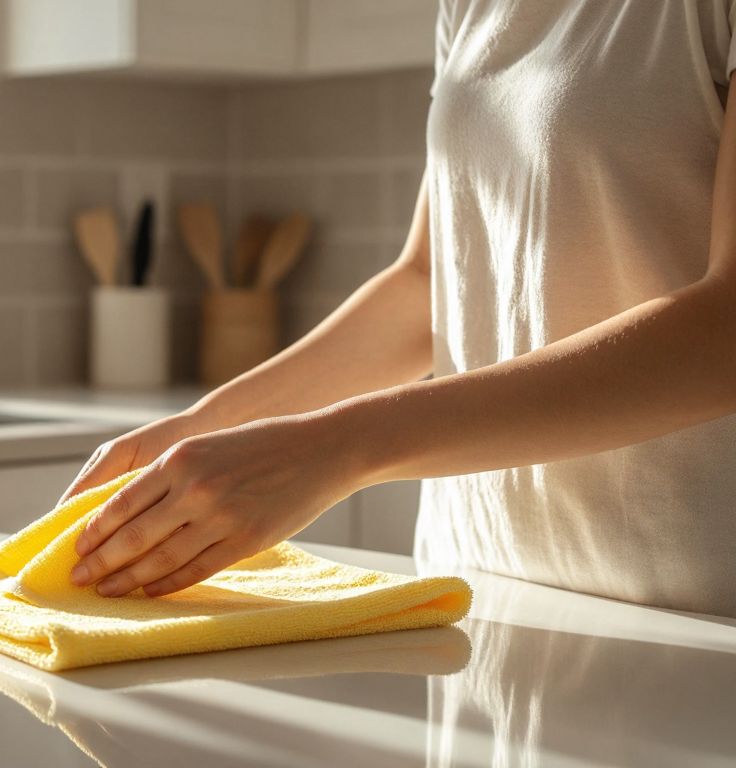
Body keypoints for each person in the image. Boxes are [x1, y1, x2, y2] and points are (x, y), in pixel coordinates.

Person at [61, 0, 736, 618]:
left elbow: (726, 331)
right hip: (477, 586)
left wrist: (335, 447)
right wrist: (203, 428)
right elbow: (429, 283)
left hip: (687, 603)